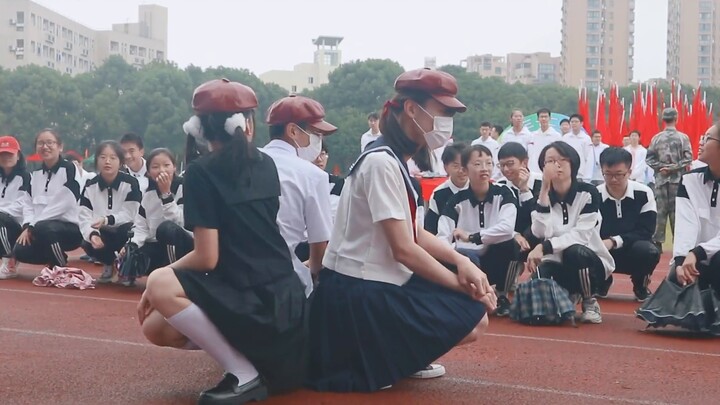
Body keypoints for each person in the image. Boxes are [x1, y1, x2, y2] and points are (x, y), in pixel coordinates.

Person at [308, 68, 495, 392]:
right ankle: (391, 357)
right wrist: (460, 287)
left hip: (371, 284)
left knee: (470, 267)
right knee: (473, 314)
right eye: (443, 112)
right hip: (358, 293)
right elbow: (404, 249)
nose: (446, 122)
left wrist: (461, 262)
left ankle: (396, 353)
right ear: (411, 109)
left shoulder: (392, 158)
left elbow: (413, 231)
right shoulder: (382, 162)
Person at [138, 79, 307, 403]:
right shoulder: (265, 163)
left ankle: (244, 373)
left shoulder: (202, 171)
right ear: (246, 124)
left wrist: (160, 279)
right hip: (286, 305)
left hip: (255, 301)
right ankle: (244, 358)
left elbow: (207, 257)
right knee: (157, 326)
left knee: (159, 285)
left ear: (198, 127)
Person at [526, 141, 615, 324]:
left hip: (589, 260)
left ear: (572, 164)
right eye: (549, 161)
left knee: (575, 251)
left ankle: (589, 300)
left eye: (561, 160)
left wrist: (544, 247)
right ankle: (567, 296)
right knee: (539, 281)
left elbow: (581, 235)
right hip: (555, 260)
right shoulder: (541, 196)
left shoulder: (588, 193)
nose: (556, 165)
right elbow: (539, 231)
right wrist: (544, 188)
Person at [262, 94, 335, 296]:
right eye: (315, 133)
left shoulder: (245, 163)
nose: (318, 142)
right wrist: (313, 274)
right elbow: (319, 244)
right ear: (293, 130)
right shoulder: (313, 176)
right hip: (284, 281)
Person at [437, 144, 518, 316]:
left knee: (511, 245)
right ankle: (474, 297)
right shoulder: (455, 201)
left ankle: (502, 294)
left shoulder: (504, 193)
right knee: (466, 256)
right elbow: (443, 236)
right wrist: (456, 252)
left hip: (493, 255)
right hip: (468, 259)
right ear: (465, 169)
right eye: (478, 164)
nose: (484, 168)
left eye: (488, 163)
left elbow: (507, 229)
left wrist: (473, 237)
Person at [596, 148, 660, 302]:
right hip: (602, 251)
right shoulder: (594, 194)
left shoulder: (644, 193)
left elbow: (646, 231)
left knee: (649, 250)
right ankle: (602, 281)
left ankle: (640, 284)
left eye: (619, 174)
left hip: (633, 248)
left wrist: (614, 241)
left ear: (629, 172)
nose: (613, 180)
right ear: (602, 171)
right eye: (608, 174)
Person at [14, 129, 83, 269]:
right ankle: (55, 256)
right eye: (41, 143)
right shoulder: (36, 174)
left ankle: (60, 267)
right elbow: (28, 203)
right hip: (40, 228)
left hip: (70, 229)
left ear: (60, 147)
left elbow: (65, 203)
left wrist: (34, 224)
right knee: (20, 250)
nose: (45, 147)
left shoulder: (70, 170)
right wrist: (28, 225)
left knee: (45, 227)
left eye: (50, 142)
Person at [124, 148, 192, 287]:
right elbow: (141, 227)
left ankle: (176, 275)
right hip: (158, 245)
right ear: (148, 173)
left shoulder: (185, 188)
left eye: (166, 165)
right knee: (133, 250)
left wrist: (166, 194)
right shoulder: (148, 195)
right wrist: (131, 245)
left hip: (185, 246)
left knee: (166, 229)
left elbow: (180, 222)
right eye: (155, 167)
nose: (161, 170)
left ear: (174, 167)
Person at [79, 141, 142, 284]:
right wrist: (93, 235)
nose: (107, 162)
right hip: (102, 232)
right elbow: (84, 216)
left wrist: (107, 219)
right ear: (97, 161)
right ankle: (108, 263)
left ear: (120, 162)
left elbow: (130, 214)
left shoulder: (131, 183)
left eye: (113, 158)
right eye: (102, 157)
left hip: (124, 230)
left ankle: (127, 269)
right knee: (86, 241)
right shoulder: (90, 185)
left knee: (127, 230)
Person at [672, 124, 720, 294]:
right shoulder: (690, 180)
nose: (700, 143)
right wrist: (680, 260)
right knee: (676, 275)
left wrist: (698, 252)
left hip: (708, 256)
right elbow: (686, 225)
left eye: (707, 139)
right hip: (697, 258)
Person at [646, 107, 693, 252]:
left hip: (660, 179)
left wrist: (662, 167)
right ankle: (678, 242)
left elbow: (649, 158)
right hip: (677, 180)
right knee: (677, 212)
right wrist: (673, 168)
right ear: (676, 118)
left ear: (663, 120)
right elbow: (688, 158)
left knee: (660, 211)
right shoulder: (683, 138)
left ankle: (657, 243)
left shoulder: (656, 138)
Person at [495, 142, 542, 283]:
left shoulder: (543, 182)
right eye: (501, 165)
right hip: (512, 235)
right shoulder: (500, 186)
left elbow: (540, 217)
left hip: (539, 235)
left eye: (510, 164)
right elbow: (497, 219)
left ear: (524, 162)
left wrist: (524, 190)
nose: (506, 169)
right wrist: (514, 235)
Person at [0, 136, 30, 279]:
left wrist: (2, 212)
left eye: (9, 154)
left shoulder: (25, 177)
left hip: (16, 224)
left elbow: (22, 204)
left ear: (18, 156)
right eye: (2, 154)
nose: (6, 157)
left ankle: (9, 261)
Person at [424, 143, 469, 235]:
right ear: (445, 167)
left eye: (465, 165)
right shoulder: (439, 194)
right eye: (456, 166)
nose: (461, 170)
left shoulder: (479, 188)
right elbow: (430, 228)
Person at [528, 108, 562, 174]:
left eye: (546, 117)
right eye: (541, 117)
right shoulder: (532, 135)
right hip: (534, 170)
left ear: (550, 118)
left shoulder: (556, 136)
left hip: (550, 170)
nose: (543, 119)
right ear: (538, 119)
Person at [561, 114, 592, 181]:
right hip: (567, 172)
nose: (574, 124)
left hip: (581, 173)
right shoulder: (565, 138)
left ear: (581, 123)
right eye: (572, 122)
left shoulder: (586, 138)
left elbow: (588, 157)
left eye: (576, 122)